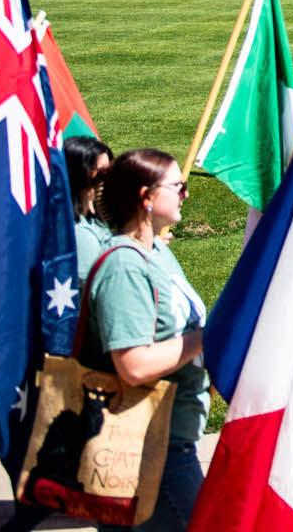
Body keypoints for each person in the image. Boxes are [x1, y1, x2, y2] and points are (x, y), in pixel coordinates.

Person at [86, 150, 209, 532]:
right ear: (147, 197)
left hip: (168, 441)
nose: (186, 194)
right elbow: (133, 364)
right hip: (145, 451)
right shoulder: (125, 266)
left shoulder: (156, 252)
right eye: (178, 186)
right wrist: (206, 337)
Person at [63, 135, 114, 278]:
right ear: (78, 177)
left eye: (109, 171)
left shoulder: (94, 221)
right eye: (100, 173)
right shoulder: (79, 234)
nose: (107, 179)